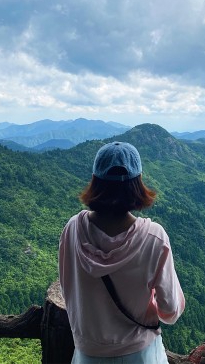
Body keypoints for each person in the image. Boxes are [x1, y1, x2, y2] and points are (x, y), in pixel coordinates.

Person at [59, 141, 185, 364]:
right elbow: (171, 311)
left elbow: (68, 287)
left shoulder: (73, 229)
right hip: (140, 355)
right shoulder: (153, 237)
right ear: (136, 185)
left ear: (95, 182)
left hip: (88, 355)